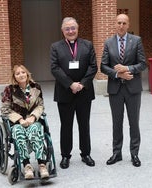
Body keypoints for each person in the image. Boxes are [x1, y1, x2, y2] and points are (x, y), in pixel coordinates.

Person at [50, 17, 98, 169]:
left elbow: (93, 66)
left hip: (84, 92)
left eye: (73, 28)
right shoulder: (55, 47)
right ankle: (65, 156)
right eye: (67, 29)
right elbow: (54, 68)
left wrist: (82, 84)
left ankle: (86, 154)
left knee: (84, 125)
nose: (70, 31)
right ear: (62, 30)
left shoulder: (87, 45)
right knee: (66, 125)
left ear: (77, 29)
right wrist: (70, 84)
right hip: (65, 92)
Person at [101, 14, 147, 167]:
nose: (121, 25)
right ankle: (117, 153)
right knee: (117, 122)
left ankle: (134, 153)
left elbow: (142, 64)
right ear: (115, 24)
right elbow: (103, 66)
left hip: (133, 89)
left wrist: (127, 69)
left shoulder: (137, 41)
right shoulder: (108, 42)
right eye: (119, 23)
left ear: (128, 25)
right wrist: (118, 74)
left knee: (134, 122)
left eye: (124, 23)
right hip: (115, 89)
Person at [0, 64, 49, 179]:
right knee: (18, 131)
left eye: (23, 72)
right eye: (17, 73)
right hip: (17, 122)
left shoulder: (36, 87)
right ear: (14, 77)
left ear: (27, 74)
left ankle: (42, 164)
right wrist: (20, 119)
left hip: (33, 120)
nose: (21, 75)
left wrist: (32, 117)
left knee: (35, 129)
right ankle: (27, 165)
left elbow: (40, 105)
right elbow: (5, 109)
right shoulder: (9, 90)